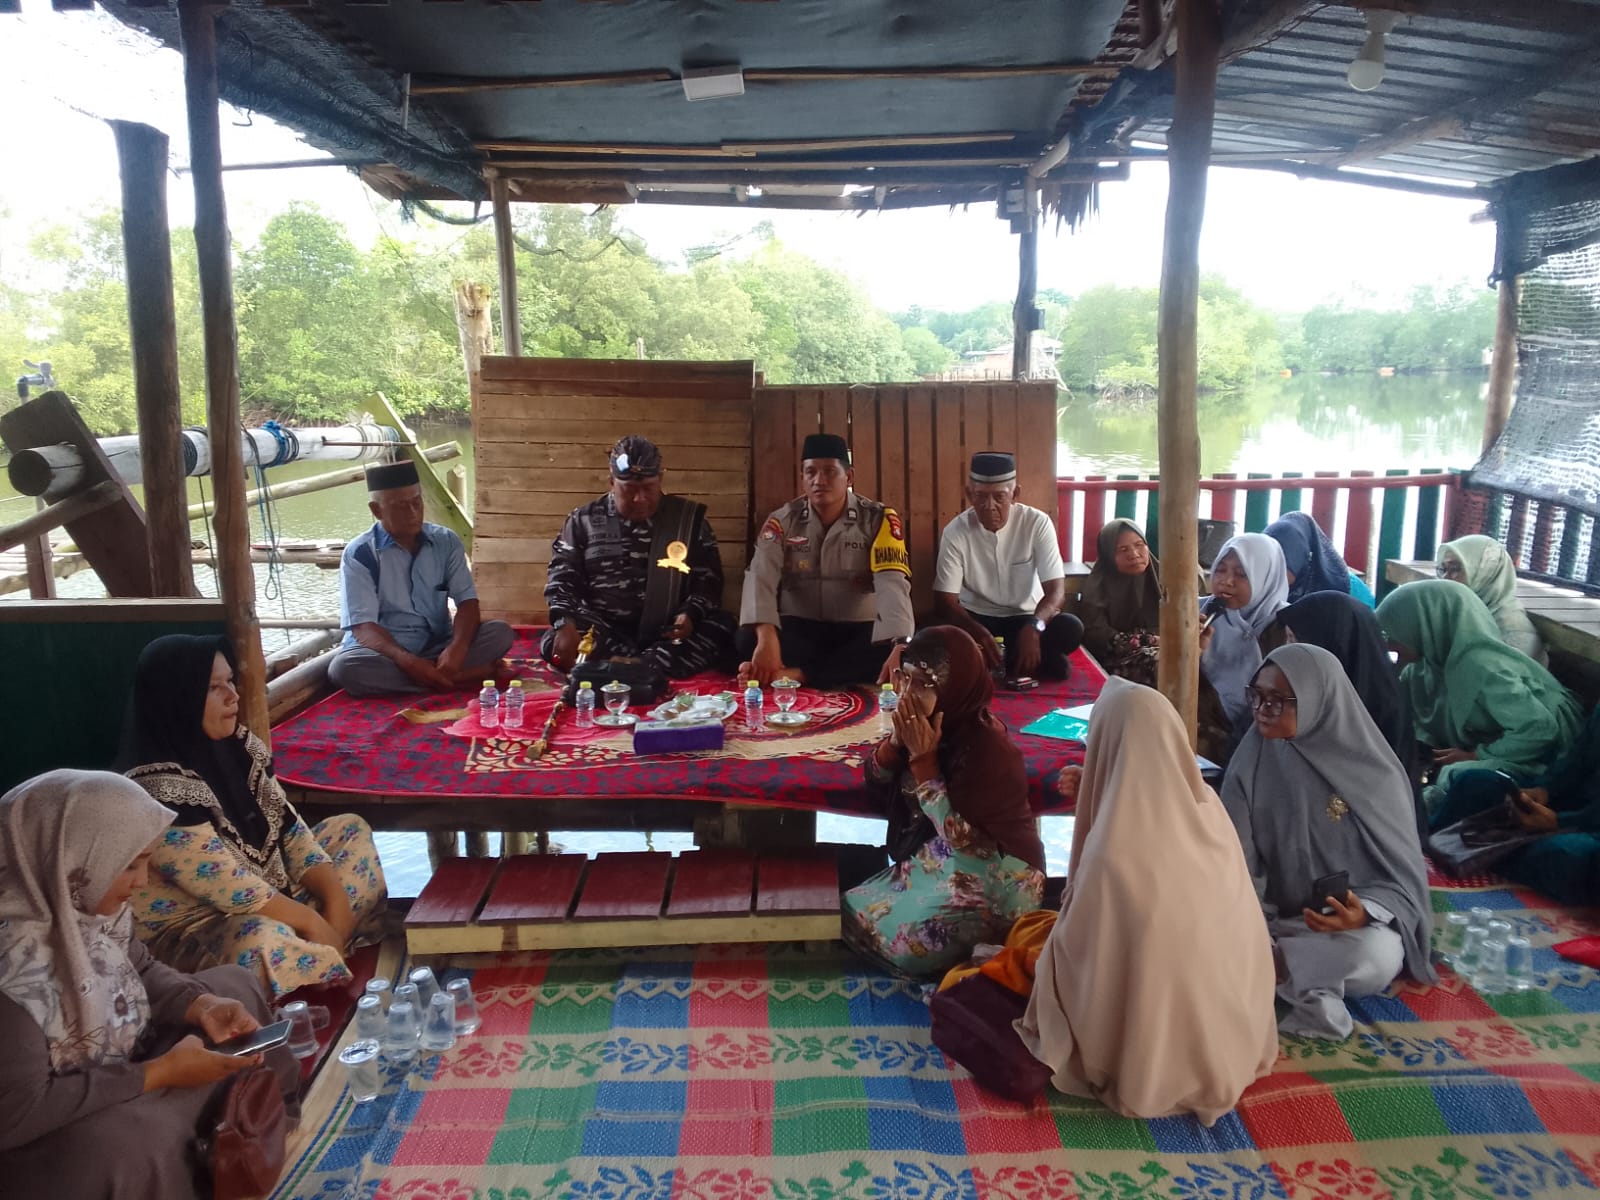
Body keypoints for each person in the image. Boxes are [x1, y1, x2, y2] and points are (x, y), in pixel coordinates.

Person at [0, 769, 300, 1200]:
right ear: (68, 861)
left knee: (233, 984)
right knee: (125, 1147)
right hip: (51, 1133)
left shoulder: (82, 907)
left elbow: (137, 967)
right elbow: (16, 1115)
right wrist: (158, 1075)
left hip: (125, 1063)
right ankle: (209, 1150)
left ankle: (252, 1130)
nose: (142, 882)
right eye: (131, 865)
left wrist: (201, 1006)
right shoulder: (13, 973)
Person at [1016, 680, 1277, 1124]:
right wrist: (1100, 790)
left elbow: (1081, 961)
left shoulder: (1114, 853)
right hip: (1239, 1033)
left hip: (1149, 1050)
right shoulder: (1206, 807)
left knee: (1033, 943)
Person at [122, 635, 388, 997]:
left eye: (230, 681)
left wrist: (335, 904)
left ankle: (319, 952)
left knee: (349, 831)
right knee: (261, 942)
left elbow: (291, 831)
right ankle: (318, 952)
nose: (233, 695)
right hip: (202, 928)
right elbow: (232, 889)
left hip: (276, 896)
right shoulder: (152, 795)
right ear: (178, 697)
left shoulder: (240, 748)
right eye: (214, 688)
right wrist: (313, 919)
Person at [1222, 644, 1437, 1041]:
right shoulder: (1252, 758)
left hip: (1336, 931)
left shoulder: (1375, 774)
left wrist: (1365, 913)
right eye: (1258, 695)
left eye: (1279, 701)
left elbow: (1403, 879)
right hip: (1267, 919)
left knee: (1377, 958)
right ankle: (1269, 964)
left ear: (1319, 699)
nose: (1262, 710)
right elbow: (1236, 858)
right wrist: (1254, 926)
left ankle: (1266, 969)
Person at [842, 626, 1045, 978]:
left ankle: (983, 944)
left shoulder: (988, 747)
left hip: (1001, 874)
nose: (907, 693)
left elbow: (965, 840)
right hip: (948, 860)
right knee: (851, 907)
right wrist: (894, 745)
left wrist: (924, 762)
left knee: (911, 947)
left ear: (955, 689)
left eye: (923, 684)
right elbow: (874, 778)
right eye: (905, 679)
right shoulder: (929, 724)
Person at [541, 435, 737, 678]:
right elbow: (562, 578)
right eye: (630, 490)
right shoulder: (584, 520)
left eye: (648, 488)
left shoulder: (687, 522)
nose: (640, 498)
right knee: (556, 640)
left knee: (721, 627)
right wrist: (565, 622)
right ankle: (641, 667)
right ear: (611, 482)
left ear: (661, 479)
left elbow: (708, 581)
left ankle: (614, 667)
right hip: (603, 631)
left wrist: (690, 614)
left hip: (668, 633)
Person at [1376, 579, 1581, 810]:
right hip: (1504, 743)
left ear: (1425, 625)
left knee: (1457, 774)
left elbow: (1540, 731)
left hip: (1541, 754)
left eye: (1395, 635)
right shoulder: (1424, 667)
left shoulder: (1482, 667)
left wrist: (1478, 755)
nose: (1388, 644)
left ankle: (1421, 819)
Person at [738, 433, 914, 687]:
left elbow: (892, 583)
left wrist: (899, 642)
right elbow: (760, 576)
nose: (819, 480)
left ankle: (795, 674)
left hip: (856, 630)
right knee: (746, 639)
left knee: (892, 651)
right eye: (811, 472)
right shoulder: (783, 521)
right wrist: (767, 637)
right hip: (800, 628)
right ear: (802, 478)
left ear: (849, 477)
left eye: (830, 471)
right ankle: (804, 669)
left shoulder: (877, 520)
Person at [328, 460, 514, 697]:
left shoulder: (446, 542)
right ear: (377, 510)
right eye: (401, 507)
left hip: (438, 645)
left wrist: (457, 648)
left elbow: (467, 603)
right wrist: (407, 661)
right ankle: (458, 677)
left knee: (500, 633)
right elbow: (364, 627)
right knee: (345, 669)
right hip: (388, 654)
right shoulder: (360, 553)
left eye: (417, 502)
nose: (413, 513)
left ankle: (437, 675)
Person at [1279, 590, 1425, 841]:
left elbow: (1378, 799)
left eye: (1297, 641)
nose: (1290, 651)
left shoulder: (1382, 707)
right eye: (1289, 639)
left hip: (1370, 836)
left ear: (1331, 646)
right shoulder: (1297, 692)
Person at [931, 451, 1082, 680]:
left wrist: (1035, 626)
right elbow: (945, 601)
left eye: (999, 497)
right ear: (969, 494)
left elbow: (1056, 591)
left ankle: (994, 664)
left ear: (1015, 494)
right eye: (980, 496)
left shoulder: (1037, 523)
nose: (989, 506)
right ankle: (1019, 663)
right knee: (935, 635)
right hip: (976, 621)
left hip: (1025, 620)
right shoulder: (956, 531)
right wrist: (978, 633)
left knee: (1070, 628)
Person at [1428, 707, 1600, 906]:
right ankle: (1492, 851)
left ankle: (1480, 850)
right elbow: (1577, 759)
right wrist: (1544, 790)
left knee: (1570, 854)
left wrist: (1559, 822)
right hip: (1568, 806)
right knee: (1475, 783)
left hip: (1589, 829)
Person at [1198, 533, 1289, 764]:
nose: (1227, 581)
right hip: (1201, 728)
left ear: (1265, 578)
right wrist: (1188, 651)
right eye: (1220, 570)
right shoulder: (1199, 613)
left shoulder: (1286, 627)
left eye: (1241, 574)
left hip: (1263, 743)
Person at [1075, 518, 1163, 685]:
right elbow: (1097, 635)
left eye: (1139, 545)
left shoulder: (1163, 578)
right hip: (1117, 660)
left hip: (1166, 650)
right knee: (1161, 663)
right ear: (1109, 555)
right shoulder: (1097, 588)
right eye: (1123, 549)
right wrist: (1148, 640)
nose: (1134, 555)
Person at [1437, 534, 1547, 665]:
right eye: (1443, 569)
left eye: (1454, 569)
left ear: (1486, 574)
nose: (1445, 578)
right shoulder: (1460, 615)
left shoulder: (1515, 635)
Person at [1265, 510, 1376, 607]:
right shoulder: (1259, 585)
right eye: (1268, 561)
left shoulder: (1349, 591)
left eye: (1284, 563)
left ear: (1302, 559)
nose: (1273, 571)